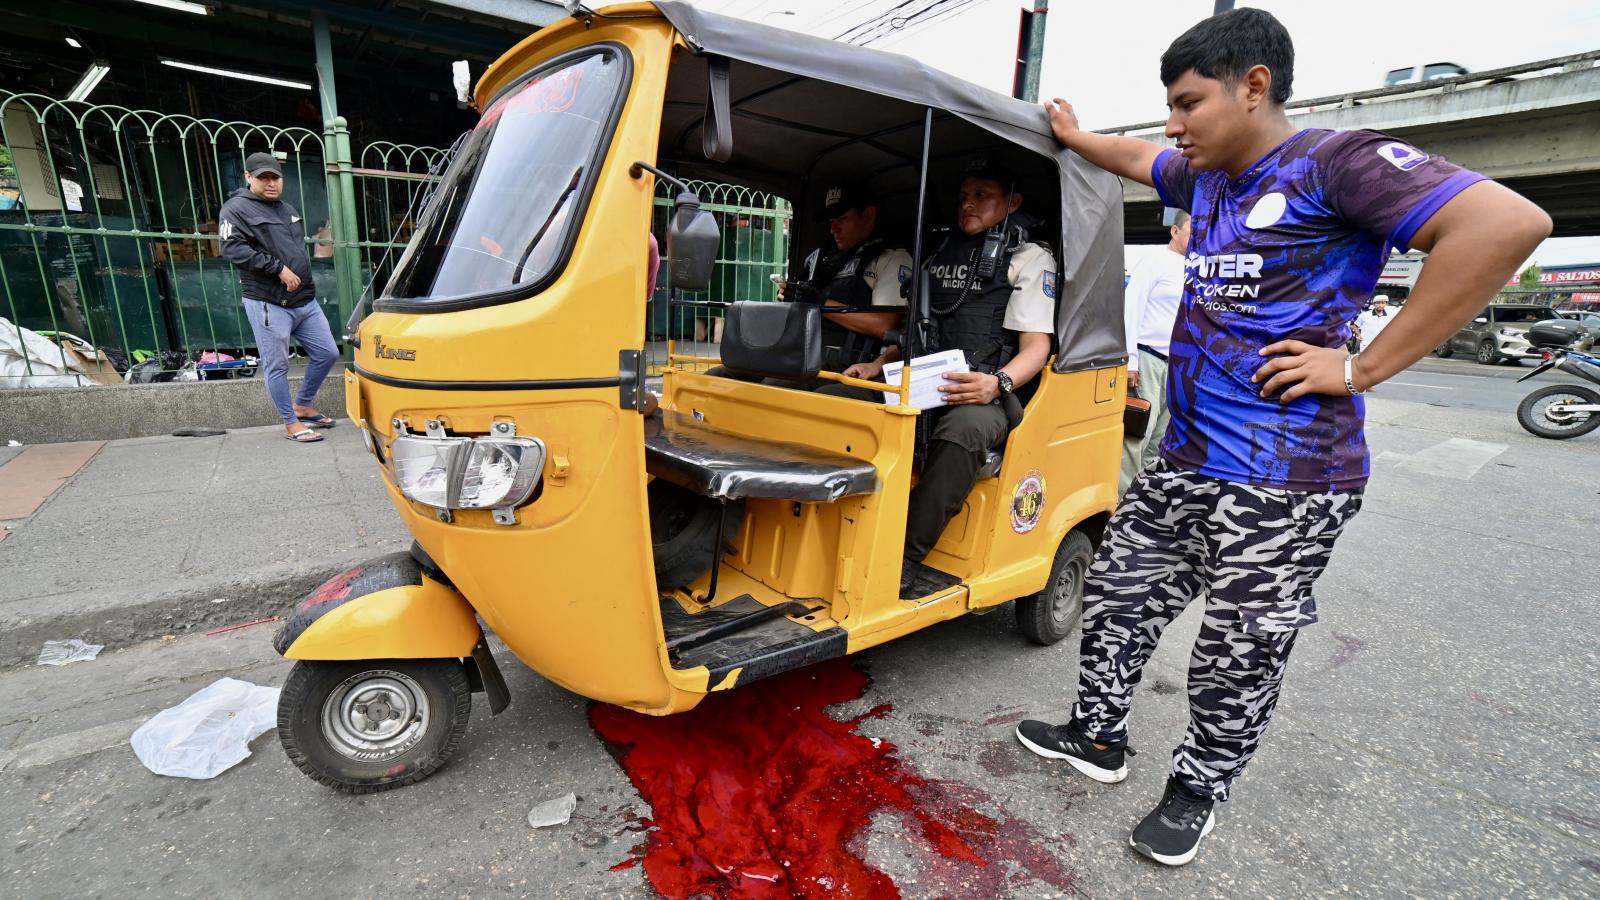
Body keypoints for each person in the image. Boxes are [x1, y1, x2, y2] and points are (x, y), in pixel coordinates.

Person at [1013, 7, 1550, 868]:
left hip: (1287, 479)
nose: (1174, 125)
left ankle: (1197, 790)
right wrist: (1075, 133)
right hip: (1185, 459)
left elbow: (1505, 226)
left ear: (1253, 86)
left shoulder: (1335, 162)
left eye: (1188, 103)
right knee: (1116, 596)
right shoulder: (1206, 178)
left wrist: (1362, 368)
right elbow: (1132, 159)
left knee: (1238, 645)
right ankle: (1097, 737)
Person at [823, 161, 1057, 599]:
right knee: (833, 398)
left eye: (983, 195)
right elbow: (918, 327)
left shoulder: (1028, 258)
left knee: (962, 433)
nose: (968, 203)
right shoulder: (936, 251)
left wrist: (998, 384)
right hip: (923, 379)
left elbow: (1037, 348)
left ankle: (904, 557)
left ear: (1013, 202)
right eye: (964, 194)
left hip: (981, 393)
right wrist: (879, 364)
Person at [714, 184, 911, 389]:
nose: (834, 227)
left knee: (774, 387)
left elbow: (884, 325)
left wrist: (819, 302)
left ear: (868, 215)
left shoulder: (890, 259)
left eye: (841, 218)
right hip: (798, 354)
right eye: (831, 221)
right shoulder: (820, 260)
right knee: (719, 375)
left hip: (844, 363)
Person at [219, 152, 340, 444]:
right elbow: (232, 249)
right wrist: (278, 268)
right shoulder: (235, 209)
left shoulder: (286, 208)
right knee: (277, 366)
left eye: (275, 177)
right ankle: (291, 422)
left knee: (328, 353)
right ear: (248, 177)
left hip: (304, 300)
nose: (271, 183)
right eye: (263, 178)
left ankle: (303, 405)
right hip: (268, 301)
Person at [1120, 211, 1190, 494]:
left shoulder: (1198, 269)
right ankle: (1119, 504)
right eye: (1192, 231)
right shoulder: (1155, 262)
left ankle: (1142, 499)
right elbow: (1131, 308)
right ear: (1175, 231)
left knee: (1160, 438)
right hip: (1148, 359)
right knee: (1138, 436)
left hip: (1177, 365)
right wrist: (1130, 359)